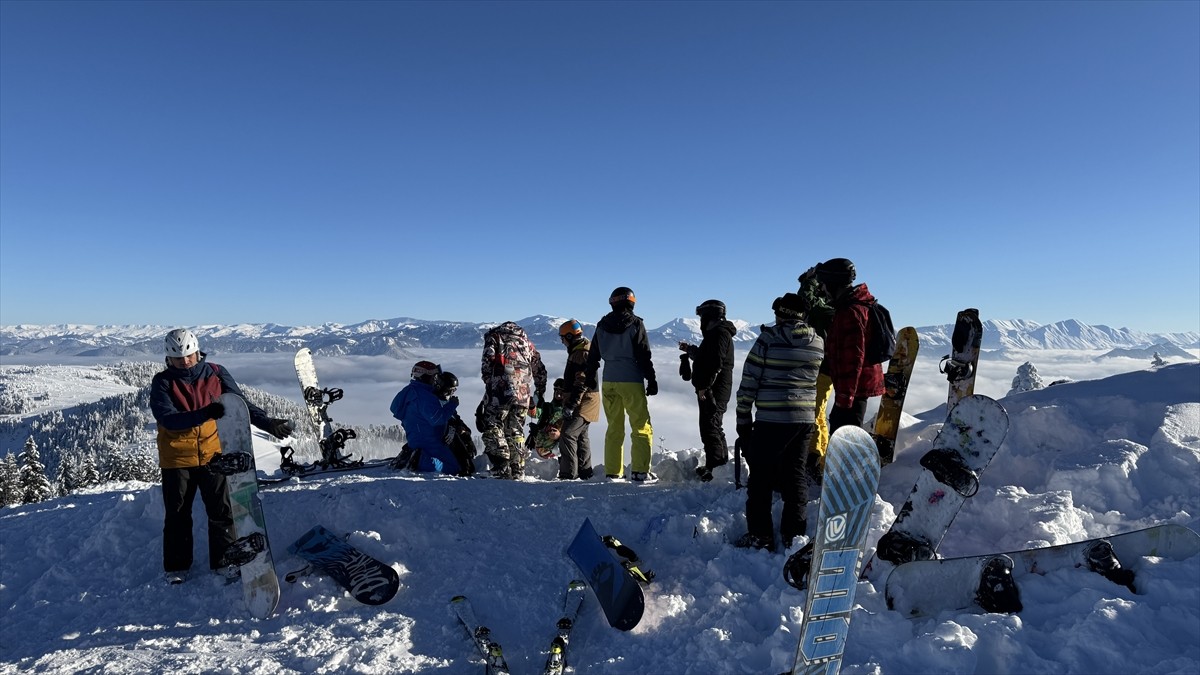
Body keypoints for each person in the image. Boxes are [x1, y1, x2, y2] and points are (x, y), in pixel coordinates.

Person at [150, 328, 293, 584]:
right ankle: (177, 567)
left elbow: (240, 404)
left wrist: (267, 423)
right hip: (177, 458)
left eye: (189, 355)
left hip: (213, 453)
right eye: (178, 358)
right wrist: (205, 413)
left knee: (222, 511)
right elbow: (168, 418)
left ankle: (224, 561)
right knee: (178, 514)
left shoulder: (216, 373)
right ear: (168, 358)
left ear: (197, 352)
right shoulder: (163, 382)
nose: (185, 361)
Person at [733, 294, 824, 552]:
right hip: (804, 419)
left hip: (772, 419)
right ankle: (794, 534)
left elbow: (750, 380)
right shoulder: (818, 342)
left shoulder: (768, 339)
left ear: (780, 313)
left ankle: (760, 535)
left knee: (760, 478)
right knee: (795, 474)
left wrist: (743, 417)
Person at [585, 287, 658, 481]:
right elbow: (644, 355)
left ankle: (612, 472)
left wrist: (590, 376)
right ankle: (640, 471)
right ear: (631, 302)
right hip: (631, 380)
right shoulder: (636, 324)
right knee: (641, 426)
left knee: (614, 428)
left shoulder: (602, 325)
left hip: (609, 381)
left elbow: (593, 356)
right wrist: (651, 379)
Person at [814, 258, 885, 435]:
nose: (822, 289)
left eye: (824, 284)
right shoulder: (858, 306)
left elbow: (852, 359)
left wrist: (844, 400)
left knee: (845, 438)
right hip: (856, 389)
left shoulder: (850, 312)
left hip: (853, 391)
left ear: (833, 284)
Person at [479, 321, 548, 479]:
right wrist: (540, 390)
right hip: (523, 394)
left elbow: (487, 362)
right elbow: (539, 368)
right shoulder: (526, 342)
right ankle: (517, 469)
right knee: (516, 429)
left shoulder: (494, 337)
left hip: (499, 391)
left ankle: (501, 465)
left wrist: (490, 383)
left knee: (493, 425)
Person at [678, 299, 736, 482]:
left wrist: (704, 386)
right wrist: (690, 350)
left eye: (702, 316)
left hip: (714, 389)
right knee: (713, 425)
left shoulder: (719, 334)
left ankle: (716, 469)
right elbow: (706, 358)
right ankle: (719, 467)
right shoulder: (716, 334)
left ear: (709, 316)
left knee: (710, 427)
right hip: (714, 388)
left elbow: (714, 363)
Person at [796, 264, 837, 484]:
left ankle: (815, 458)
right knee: (818, 413)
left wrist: (809, 280)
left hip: (821, 368)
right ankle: (819, 454)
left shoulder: (825, 310)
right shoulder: (832, 308)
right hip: (827, 368)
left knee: (813, 412)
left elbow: (807, 302)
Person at [389, 360, 462, 475]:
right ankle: (420, 460)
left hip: (414, 439)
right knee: (454, 468)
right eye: (434, 377)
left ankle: (412, 455)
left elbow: (395, 409)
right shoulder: (425, 396)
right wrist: (451, 405)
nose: (435, 380)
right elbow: (437, 419)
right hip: (430, 441)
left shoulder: (408, 391)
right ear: (425, 376)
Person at [557, 319, 599, 480]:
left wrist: (571, 404)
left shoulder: (581, 353)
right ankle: (585, 472)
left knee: (567, 434)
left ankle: (568, 474)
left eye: (563, 338)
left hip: (583, 401)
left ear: (569, 336)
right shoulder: (581, 349)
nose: (562, 341)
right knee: (581, 436)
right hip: (587, 400)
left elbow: (581, 382)